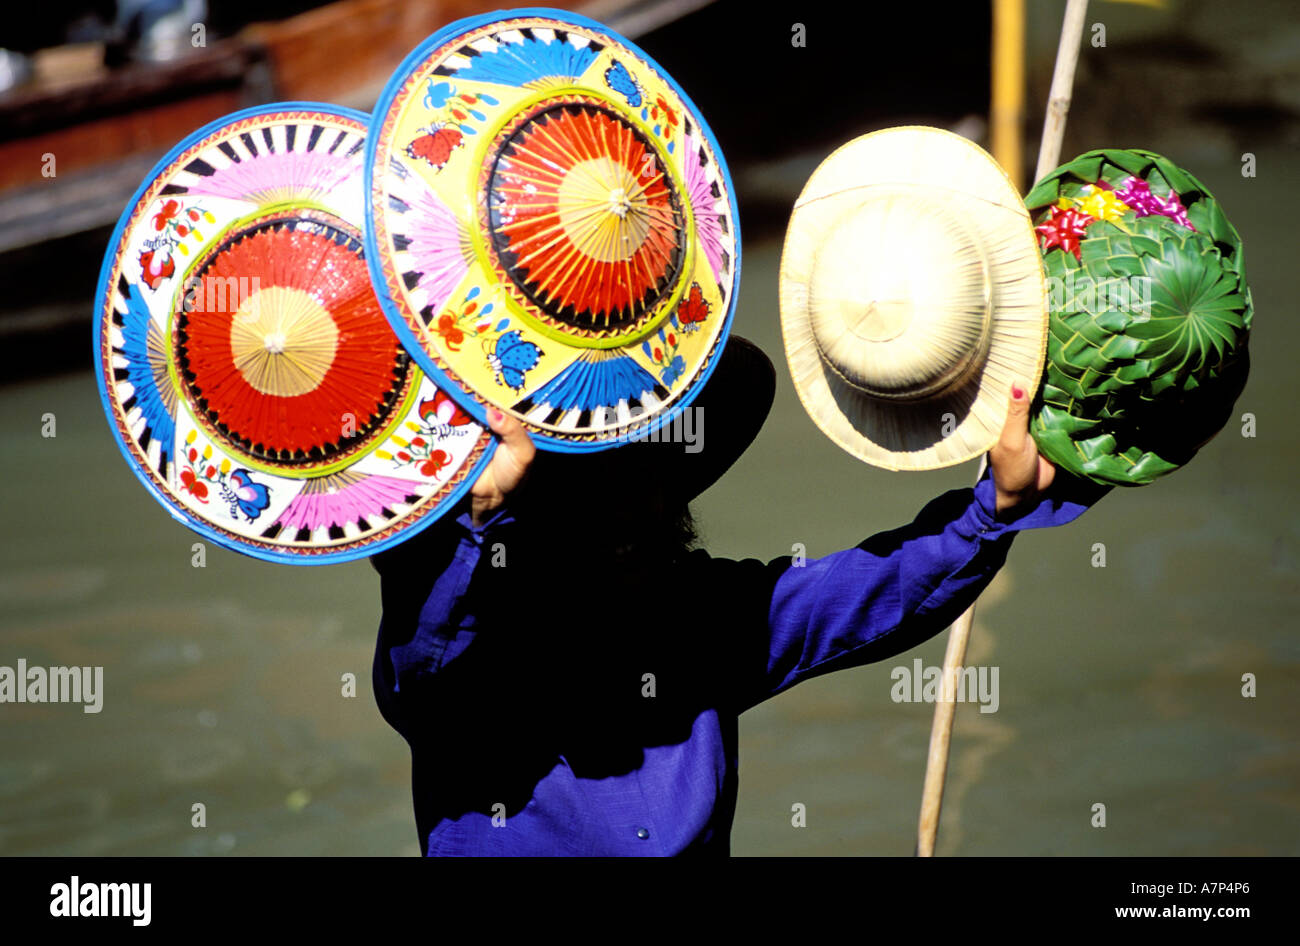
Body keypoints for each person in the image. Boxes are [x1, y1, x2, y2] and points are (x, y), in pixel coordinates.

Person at [368, 339, 1106, 856]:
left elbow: (866, 591)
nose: (630, 506)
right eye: (589, 485)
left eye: (645, 473)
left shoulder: (700, 615)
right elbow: (423, 653)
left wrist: (994, 510)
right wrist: (478, 521)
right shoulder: (463, 655)